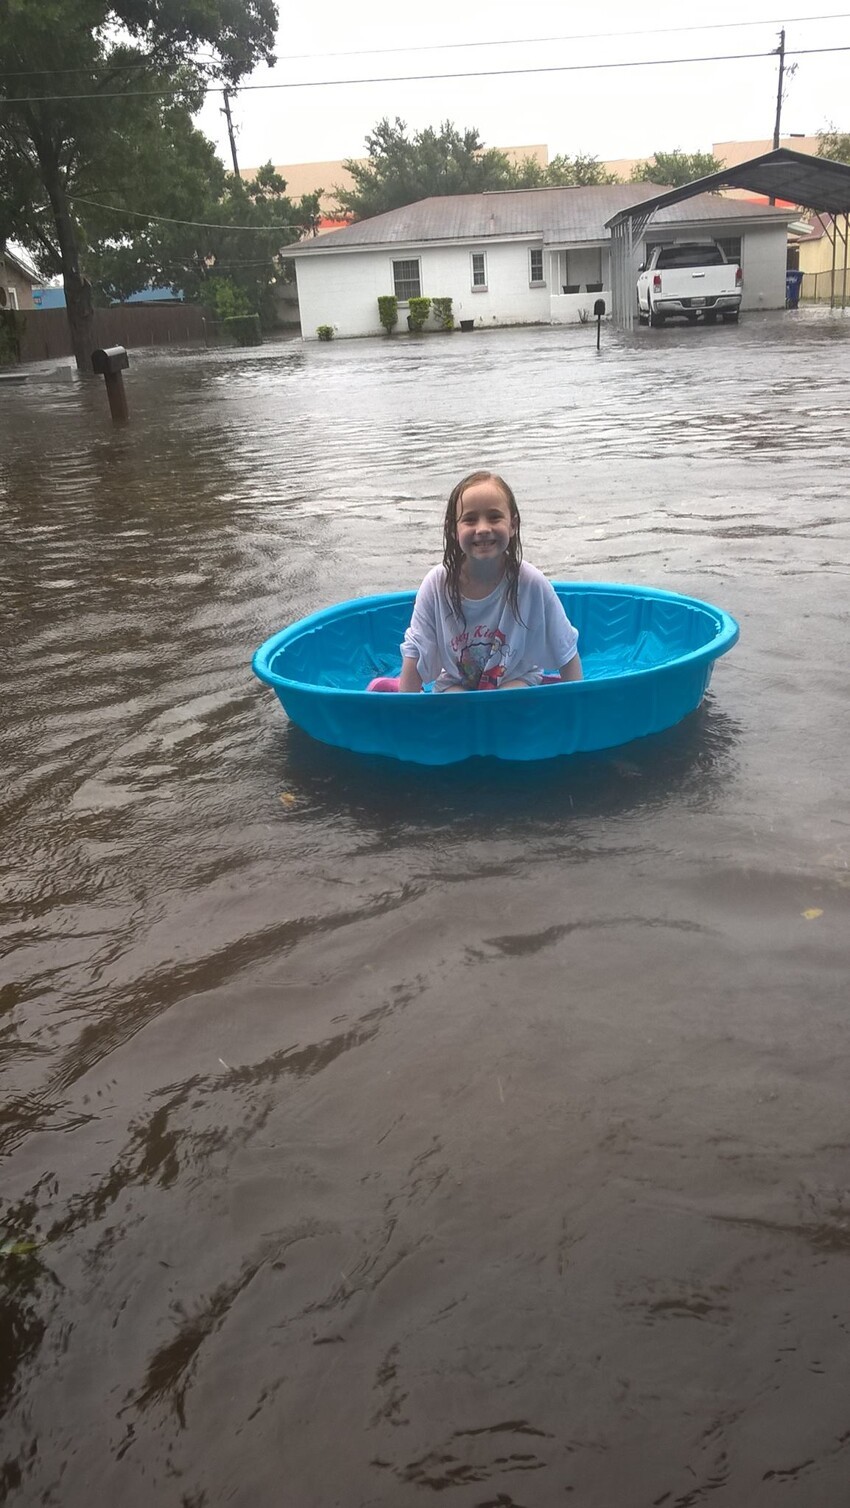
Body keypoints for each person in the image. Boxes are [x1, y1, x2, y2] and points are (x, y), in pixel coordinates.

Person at [395, 471, 582, 693]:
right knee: (456, 700)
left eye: (494, 517)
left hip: (515, 678)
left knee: (510, 696)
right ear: (454, 530)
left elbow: (566, 651)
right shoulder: (437, 585)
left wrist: (578, 714)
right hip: (456, 681)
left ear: (512, 525)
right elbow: (414, 654)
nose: (483, 528)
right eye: (470, 519)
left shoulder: (531, 582)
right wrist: (406, 716)